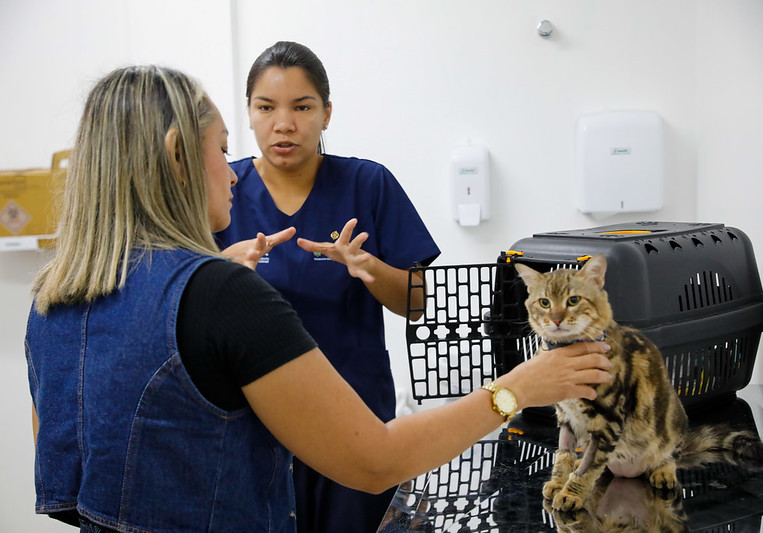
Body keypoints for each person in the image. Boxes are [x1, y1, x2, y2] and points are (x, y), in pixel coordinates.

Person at [25, 65, 613, 533]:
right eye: (220, 148)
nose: (231, 174)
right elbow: (377, 459)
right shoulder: (221, 294)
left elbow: (75, 479)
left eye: (302, 107)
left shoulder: (52, 297)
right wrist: (522, 388)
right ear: (179, 155)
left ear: (325, 114)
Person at [213, 41, 440, 533]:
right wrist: (221, 271)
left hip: (354, 420)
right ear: (249, 114)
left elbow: (420, 302)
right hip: (252, 428)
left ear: (327, 113)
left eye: (302, 106)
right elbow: (179, 300)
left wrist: (368, 268)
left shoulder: (368, 184)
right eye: (266, 107)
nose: (284, 123)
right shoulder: (220, 191)